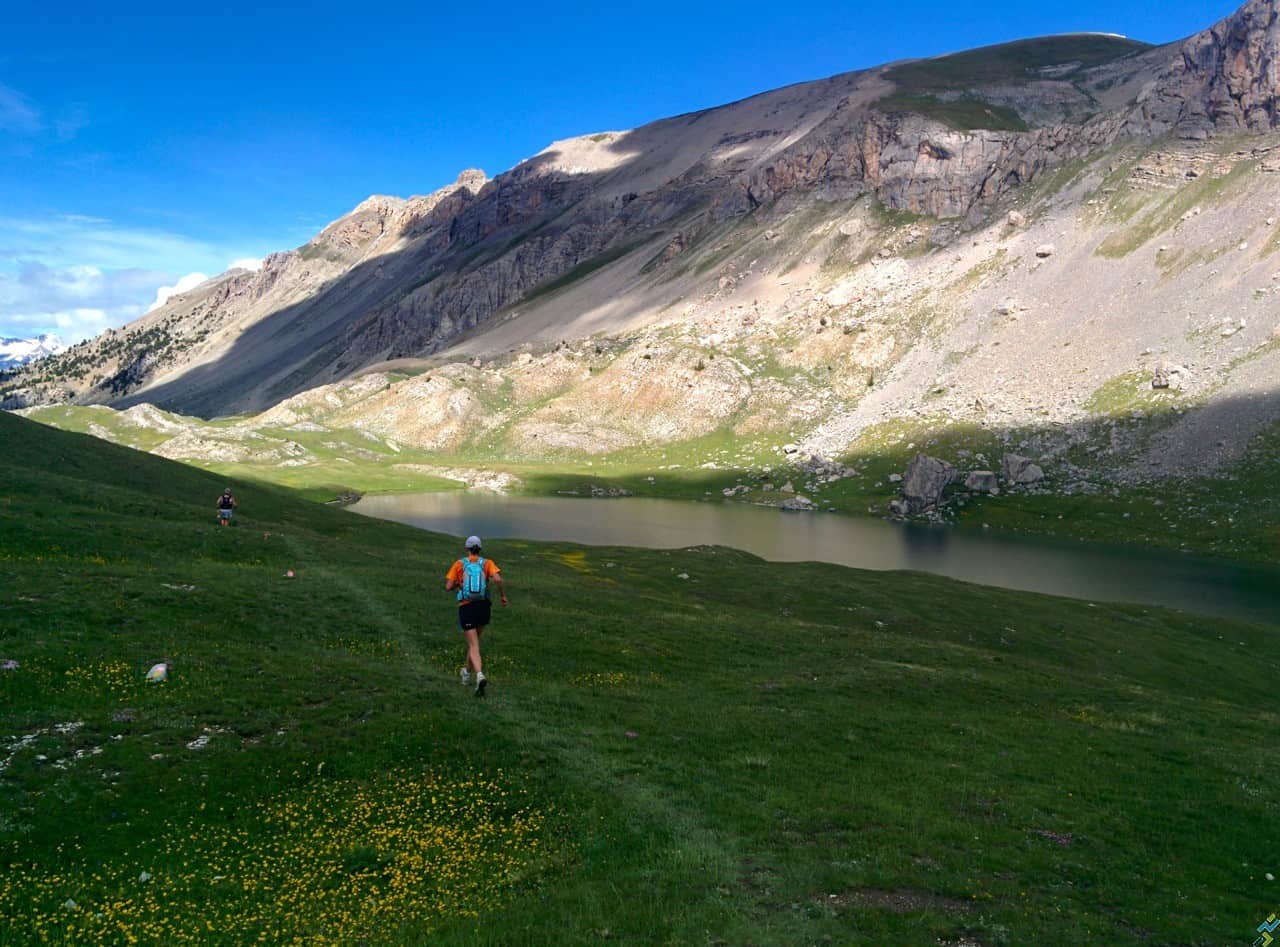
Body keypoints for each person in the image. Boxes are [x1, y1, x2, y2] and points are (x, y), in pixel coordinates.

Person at [444, 535, 508, 697]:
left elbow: (448, 587)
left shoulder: (459, 564)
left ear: (467, 549)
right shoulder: (487, 563)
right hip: (483, 607)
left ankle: (479, 675)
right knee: (474, 643)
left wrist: (460, 583)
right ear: (479, 549)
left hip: (467, 607)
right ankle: (466, 673)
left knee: (473, 645)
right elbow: (498, 579)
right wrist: (502, 596)